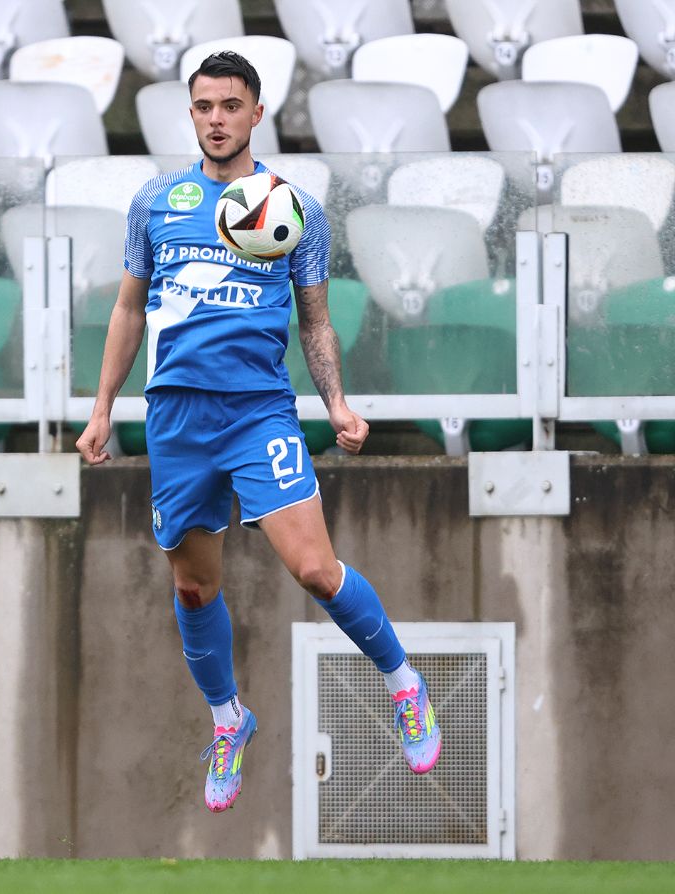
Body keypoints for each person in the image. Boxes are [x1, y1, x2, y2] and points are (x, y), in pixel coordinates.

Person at [75, 51, 441, 814]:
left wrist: (336, 403)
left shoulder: (295, 208)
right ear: (191, 113)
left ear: (257, 113)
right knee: (193, 585)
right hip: (176, 417)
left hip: (257, 412)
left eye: (231, 106)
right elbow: (129, 309)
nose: (217, 119)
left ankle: (404, 683)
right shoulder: (156, 202)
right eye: (205, 106)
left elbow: (316, 320)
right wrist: (103, 406)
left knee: (314, 569)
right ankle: (228, 720)